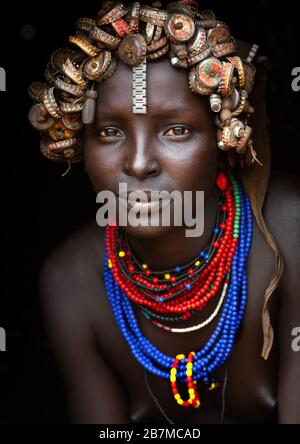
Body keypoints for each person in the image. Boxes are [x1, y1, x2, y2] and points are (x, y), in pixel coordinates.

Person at [29, 1, 300, 424]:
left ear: (223, 139)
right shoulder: (71, 281)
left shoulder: (289, 229)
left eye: (176, 130)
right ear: (80, 147)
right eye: (109, 132)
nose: (138, 163)